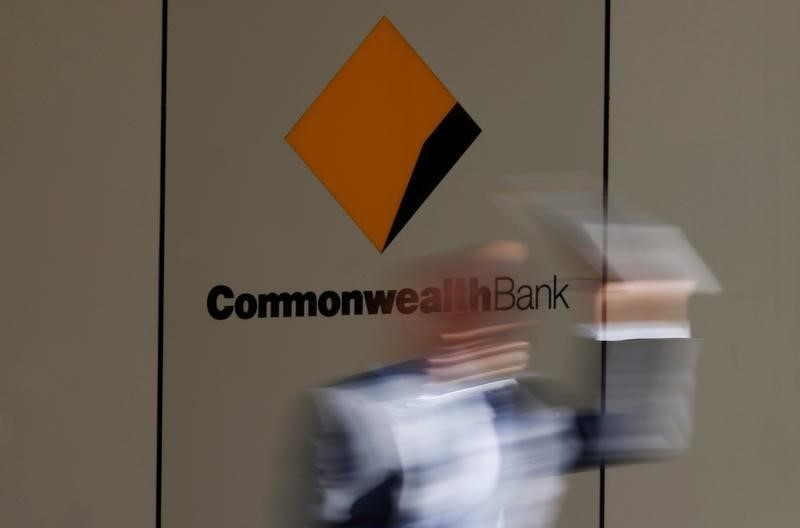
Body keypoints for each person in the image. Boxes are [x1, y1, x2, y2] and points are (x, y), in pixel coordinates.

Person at [302, 240, 699, 528]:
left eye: (505, 310)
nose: (503, 324)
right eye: (479, 308)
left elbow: (629, 425)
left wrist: (634, 314)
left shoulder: (518, 406)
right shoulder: (357, 410)